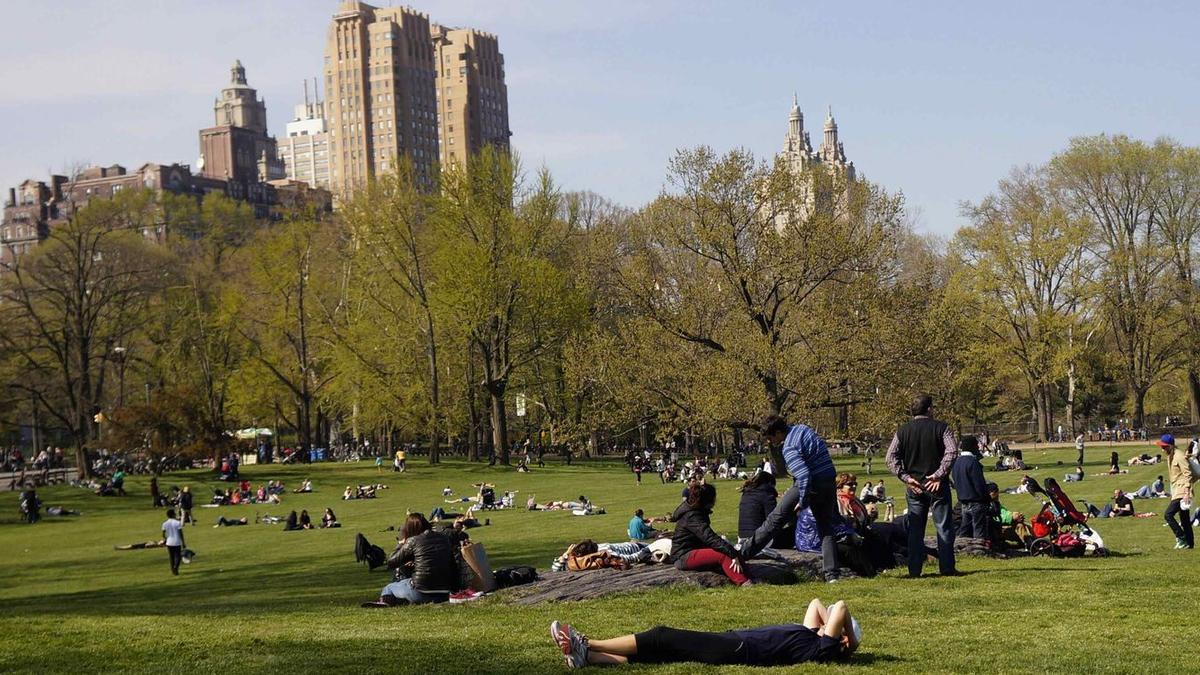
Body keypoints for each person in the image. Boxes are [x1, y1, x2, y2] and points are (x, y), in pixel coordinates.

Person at [548, 598, 860, 668]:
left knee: (662, 635)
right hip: (733, 643)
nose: (826, 620)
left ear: (840, 639)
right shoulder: (812, 638)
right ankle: (587, 657)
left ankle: (585, 642)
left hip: (737, 648)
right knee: (660, 655)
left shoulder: (821, 649)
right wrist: (828, 629)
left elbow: (840, 606)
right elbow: (818, 603)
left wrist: (852, 642)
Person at [743, 415, 839, 582]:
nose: (770, 441)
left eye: (771, 437)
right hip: (829, 481)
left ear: (779, 432)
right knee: (826, 527)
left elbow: (803, 476)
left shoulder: (789, 447)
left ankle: (743, 553)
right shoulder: (803, 429)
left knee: (775, 519)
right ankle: (832, 574)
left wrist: (802, 501)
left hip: (812, 483)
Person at [885, 393, 959, 577]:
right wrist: (938, 475)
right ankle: (947, 567)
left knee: (915, 531)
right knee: (943, 527)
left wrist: (905, 477)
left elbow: (890, 458)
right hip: (937, 486)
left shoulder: (902, 431)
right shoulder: (942, 428)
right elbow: (952, 451)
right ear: (930, 409)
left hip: (914, 486)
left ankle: (915, 570)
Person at [366, 513, 459, 606]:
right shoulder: (444, 538)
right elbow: (452, 564)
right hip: (445, 593)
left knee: (389, 588)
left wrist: (401, 544)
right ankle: (402, 600)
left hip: (420, 591)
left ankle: (386, 602)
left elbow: (391, 562)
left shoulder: (413, 540)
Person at [671, 483, 749, 586]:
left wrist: (733, 552)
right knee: (723, 554)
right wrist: (732, 554)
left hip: (692, 550)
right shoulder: (692, 516)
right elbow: (709, 537)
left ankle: (749, 575)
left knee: (729, 550)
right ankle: (744, 582)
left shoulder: (697, 511)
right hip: (683, 555)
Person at [1162, 434, 1197, 549]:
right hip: (1177, 489)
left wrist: (1187, 493)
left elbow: (1188, 474)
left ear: (1171, 446)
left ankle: (1181, 537)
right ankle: (1190, 543)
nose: (1163, 449)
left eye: (1165, 446)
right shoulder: (1171, 455)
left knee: (1168, 515)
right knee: (1185, 519)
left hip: (1182, 490)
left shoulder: (1179, 456)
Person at [951, 435, 989, 540]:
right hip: (976, 500)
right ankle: (979, 552)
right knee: (979, 530)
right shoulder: (973, 462)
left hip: (963, 501)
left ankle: (963, 549)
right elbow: (979, 483)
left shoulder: (957, 462)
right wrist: (985, 498)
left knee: (965, 529)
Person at [162, 509, 185, 576]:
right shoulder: (177, 523)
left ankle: (173, 570)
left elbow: (163, 534)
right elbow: (181, 533)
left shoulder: (165, 523)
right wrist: (183, 542)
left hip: (169, 542)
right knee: (178, 556)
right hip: (177, 542)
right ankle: (176, 567)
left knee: (171, 557)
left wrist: (166, 539)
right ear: (173, 515)